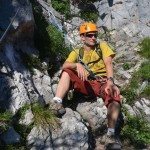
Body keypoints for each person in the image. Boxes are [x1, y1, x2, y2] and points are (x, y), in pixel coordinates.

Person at [49, 22, 122, 148]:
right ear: (82, 37)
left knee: (114, 96)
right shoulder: (77, 52)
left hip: (102, 82)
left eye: (95, 35)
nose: (93, 37)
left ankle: (110, 135)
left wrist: (111, 82)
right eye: (89, 35)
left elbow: (108, 63)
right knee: (67, 71)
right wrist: (77, 65)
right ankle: (57, 102)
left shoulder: (102, 46)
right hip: (86, 83)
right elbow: (65, 65)